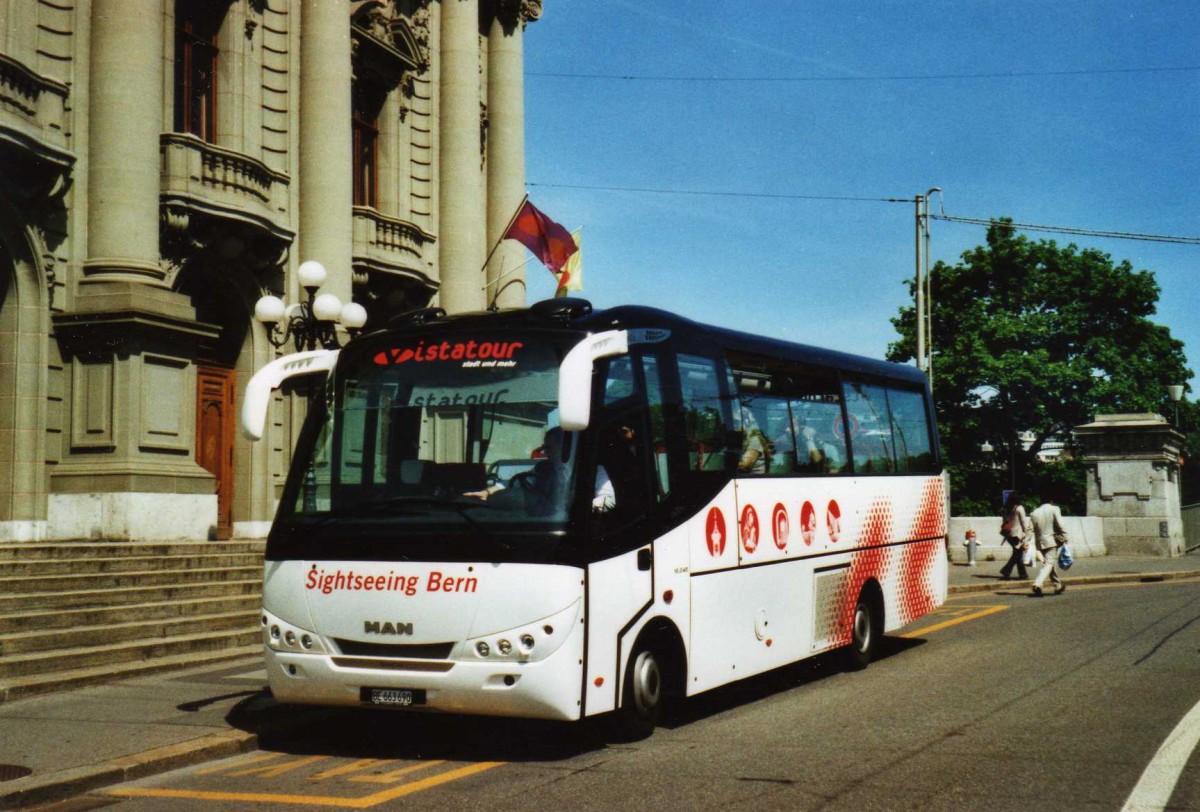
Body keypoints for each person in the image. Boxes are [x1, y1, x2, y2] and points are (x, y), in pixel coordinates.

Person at [1029, 497, 1068, 596]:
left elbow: (1029, 530)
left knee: (1049, 563)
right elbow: (1060, 524)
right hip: (1051, 540)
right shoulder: (1054, 509)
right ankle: (1037, 584)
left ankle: (1058, 585)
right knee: (1049, 563)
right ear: (1051, 501)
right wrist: (1065, 536)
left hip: (1039, 542)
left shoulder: (1034, 512)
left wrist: (1025, 542)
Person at [997, 490, 1031, 580]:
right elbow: (1024, 523)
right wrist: (1027, 534)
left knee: (1017, 554)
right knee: (1017, 555)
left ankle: (1022, 574)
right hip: (1017, 535)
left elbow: (1005, 522)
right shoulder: (1020, 508)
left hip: (1008, 535)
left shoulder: (1007, 509)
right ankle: (1006, 570)